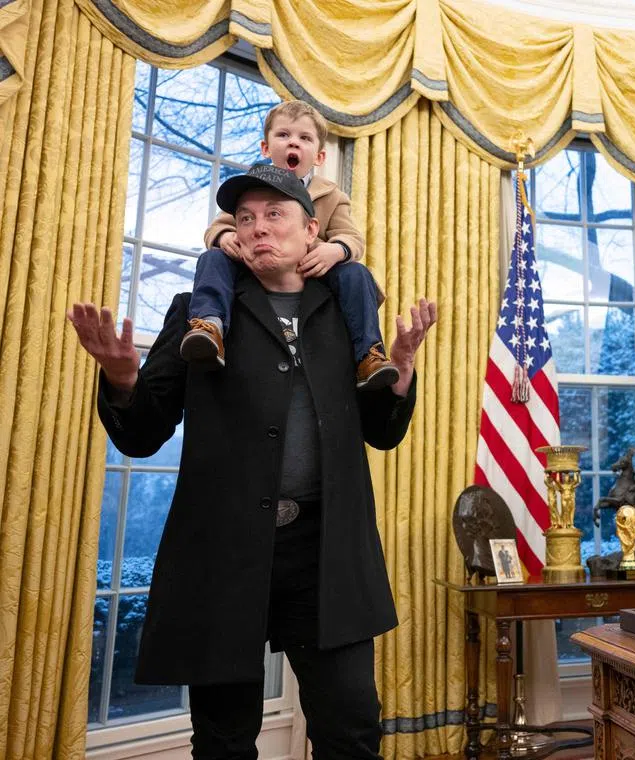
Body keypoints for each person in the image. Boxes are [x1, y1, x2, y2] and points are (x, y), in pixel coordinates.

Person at [67, 165, 437, 758]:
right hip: (224, 552)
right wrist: (121, 377)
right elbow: (142, 434)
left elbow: (382, 433)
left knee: (351, 727)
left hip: (325, 554)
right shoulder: (199, 313)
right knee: (224, 738)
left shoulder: (346, 310)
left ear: (312, 231)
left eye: (274, 215)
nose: (257, 227)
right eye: (245, 218)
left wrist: (402, 372)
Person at [184, 99, 398, 391]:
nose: (293, 142)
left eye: (304, 138)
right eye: (283, 135)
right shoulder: (251, 190)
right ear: (265, 148)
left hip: (315, 268)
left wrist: (335, 250)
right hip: (258, 266)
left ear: (319, 156)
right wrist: (224, 238)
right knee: (212, 259)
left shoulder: (332, 195)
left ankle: (369, 355)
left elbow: (352, 237)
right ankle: (210, 326)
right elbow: (217, 227)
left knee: (356, 273)